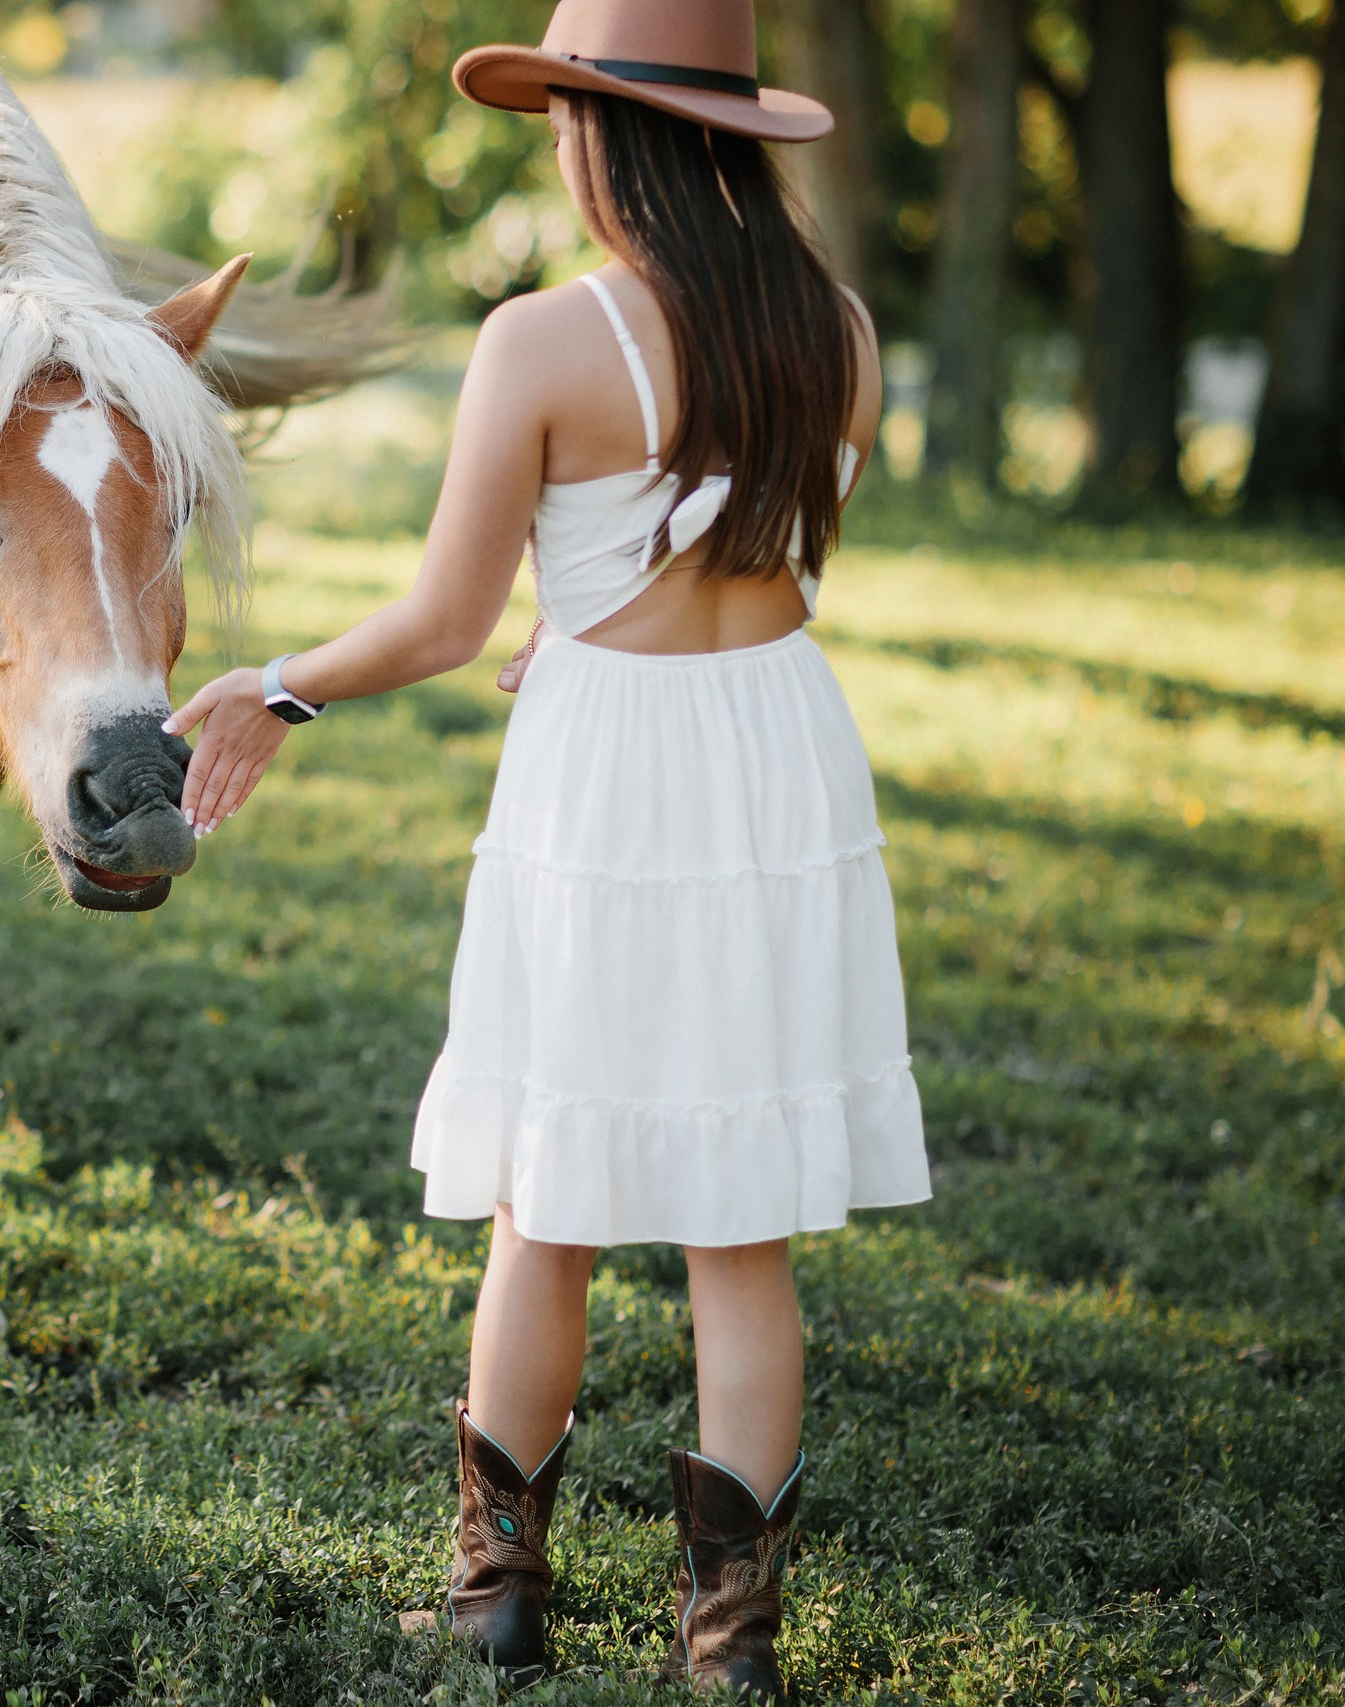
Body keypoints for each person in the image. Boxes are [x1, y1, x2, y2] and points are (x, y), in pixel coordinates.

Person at [163, 0, 934, 1693]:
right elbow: (767, 563)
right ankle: (729, 1637)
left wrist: (274, 688)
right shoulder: (846, 331)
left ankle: (500, 1586)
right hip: (776, 754)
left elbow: (443, 620)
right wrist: (585, 616)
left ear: (611, 136)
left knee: (550, 1193)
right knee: (742, 1225)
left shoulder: (542, 339)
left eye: (571, 120)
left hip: (607, 779)